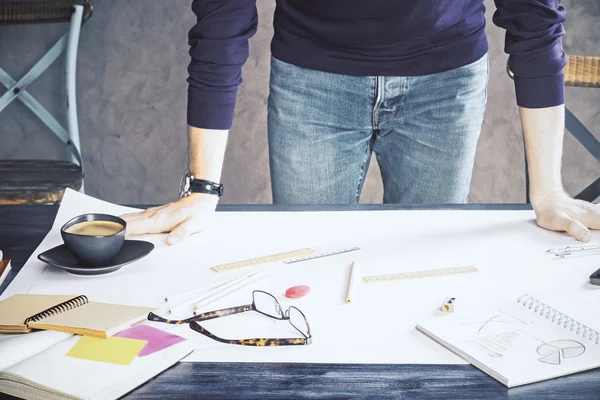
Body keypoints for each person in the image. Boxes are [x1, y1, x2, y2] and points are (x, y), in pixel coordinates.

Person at [122, 0, 600, 245]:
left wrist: (549, 192)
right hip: (312, 77)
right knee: (307, 264)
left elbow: (535, 23)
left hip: (445, 81)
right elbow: (221, 20)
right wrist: (202, 188)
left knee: (427, 268)